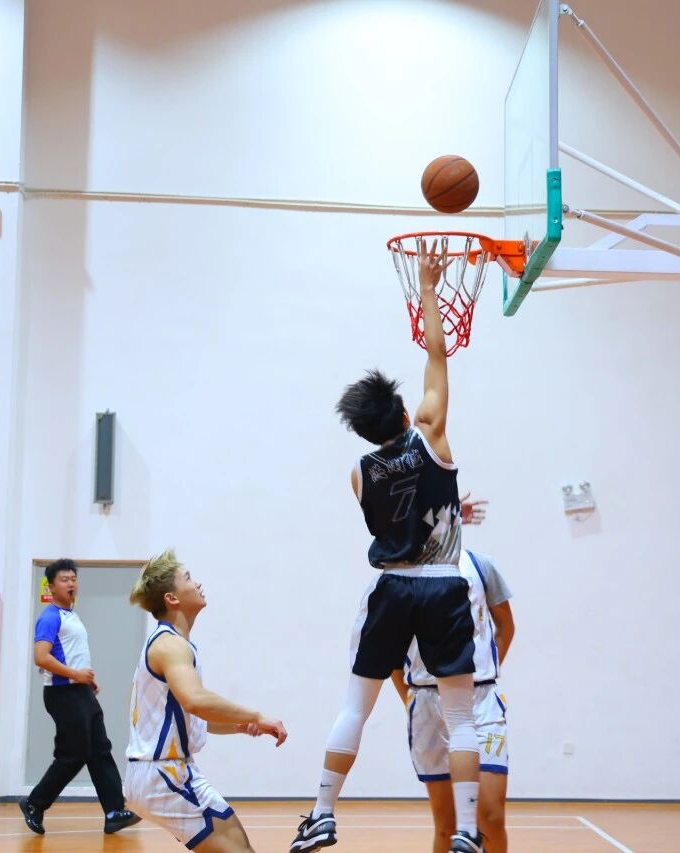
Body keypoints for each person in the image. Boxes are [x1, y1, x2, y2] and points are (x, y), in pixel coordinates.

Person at [291, 242, 485, 853]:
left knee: (357, 705)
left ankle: (322, 813)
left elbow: (400, 513)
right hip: (443, 584)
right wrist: (427, 286)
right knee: (461, 716)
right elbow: (436, 355)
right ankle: (468, 830)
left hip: (392, 586)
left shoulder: (357, 472)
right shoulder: (430, 431)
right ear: (405, 411)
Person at [124, 549, 288, 851]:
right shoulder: (170, 645)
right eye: (188, 578)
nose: (197, 583)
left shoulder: (176, 644)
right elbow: (195, 700)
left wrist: (238, 725)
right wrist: (255, 715)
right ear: (171, 598)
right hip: (162, 774)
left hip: (166, 772)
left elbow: (193, 715)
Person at [392, 548, 515, 853]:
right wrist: (409, 699)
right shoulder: (399, 571)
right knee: (446, 826)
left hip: (480, 702)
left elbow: (506, 626)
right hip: (428, 703)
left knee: (491, 817)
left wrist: (484, 672)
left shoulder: (480, 565)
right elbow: (390, 651)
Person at [20, 558, 140, 835]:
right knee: (73, 754)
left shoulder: (71, 615)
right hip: (62, 694)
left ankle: (114, 811)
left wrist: (86, 681)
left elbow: (70, 654)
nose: (71, 583)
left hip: (79, 691)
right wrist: (75, 675)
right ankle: (34, 803)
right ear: (51, 587)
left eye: (73, 579)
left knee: (99, 749)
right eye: (64, 579)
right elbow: (41, 657)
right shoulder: (50, 617)